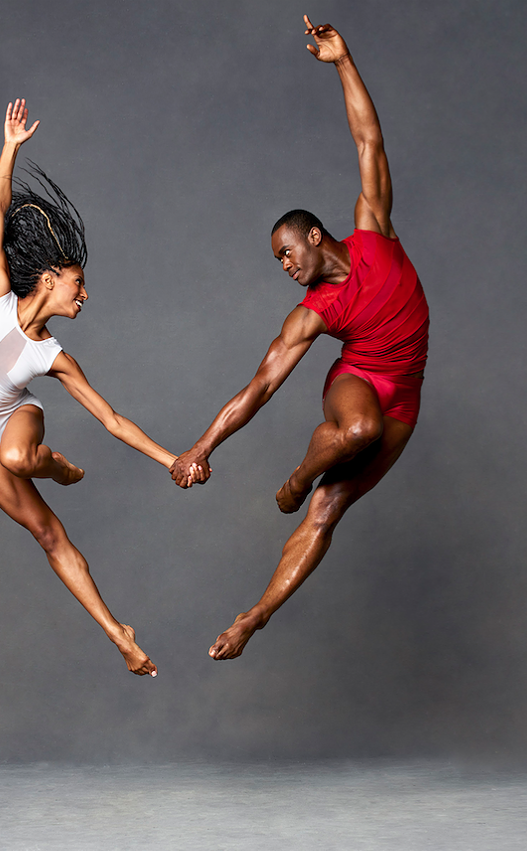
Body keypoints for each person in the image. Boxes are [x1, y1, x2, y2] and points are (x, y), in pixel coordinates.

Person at [170, 17, 430, 660]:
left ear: (314, 236)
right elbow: (260, 385)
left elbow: (368, 140)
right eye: (277, 263)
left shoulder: (373, 230)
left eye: (287, 253)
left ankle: (251, 620)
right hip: (360, 385)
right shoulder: (312, 313)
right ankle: (294, 480)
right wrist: (201, 447)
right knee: (356, 436)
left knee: (327, 512)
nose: (285, 268)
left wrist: (343, 61)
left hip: (407, 397)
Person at [0, 99, 199, 676]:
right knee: (48, 533)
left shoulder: (53, 357)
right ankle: (121, 634)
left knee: (19, 455)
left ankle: (51, 464)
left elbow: (111, 420)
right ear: (49, 279)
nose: (84, 296)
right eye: (78, 285)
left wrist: (171, 460)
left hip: (16, 420)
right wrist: (9, 148)